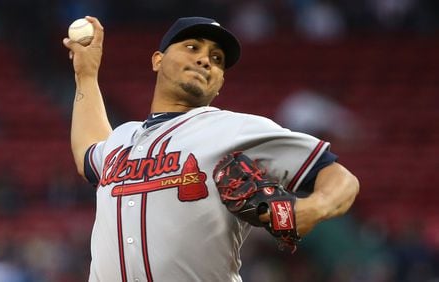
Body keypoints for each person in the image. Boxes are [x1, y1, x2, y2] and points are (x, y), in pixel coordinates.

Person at [62, 16, 359, 282]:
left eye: (217, 59)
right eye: (193, 47)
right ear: (157, 60)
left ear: (220, 83)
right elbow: (88, 151)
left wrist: (312, 208)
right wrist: (86, 76)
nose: (206, 60)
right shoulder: (122, 137)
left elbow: (340, 178)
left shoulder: (236, 129)